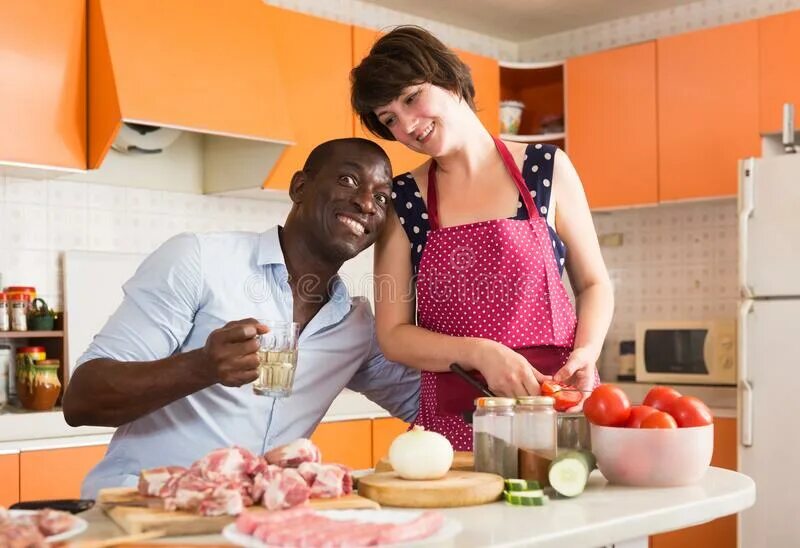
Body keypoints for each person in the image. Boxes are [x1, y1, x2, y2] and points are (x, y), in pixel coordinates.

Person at [63, 138, 420, 497]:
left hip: (245, 523)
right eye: (348, 180)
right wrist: (201, 367)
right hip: (140, 512)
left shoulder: (356, 327)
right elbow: (82, 400)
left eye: (382, 198)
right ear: (299, 187)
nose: (365, 203)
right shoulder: (200, 260)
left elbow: (426, 404)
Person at [350, 26, 614, 449]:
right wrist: (482, 353)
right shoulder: (404, 200)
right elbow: (394, 334)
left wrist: (588, 349)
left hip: (559, 402)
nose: (407, 125)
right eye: (389, 119)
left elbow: (594, 284)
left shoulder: (546, 169)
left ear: (448, 77)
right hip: (460, 410)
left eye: (411, 97)